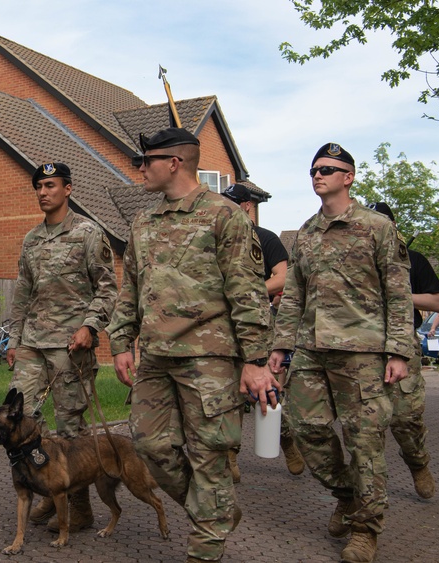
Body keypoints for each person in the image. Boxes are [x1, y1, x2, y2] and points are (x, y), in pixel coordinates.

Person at [108, 128, 276, 563]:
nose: (140, 169)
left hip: (210, 358)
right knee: (148, 444)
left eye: (145, 161)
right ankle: (215, 511)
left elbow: (248, 293)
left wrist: (256, 360)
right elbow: (132, 290)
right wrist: (121, 341)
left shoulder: (224, 216)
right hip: (157, 358)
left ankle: (205, 543)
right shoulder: (143, 222)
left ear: (174, 163)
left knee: (210, 453)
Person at [268, 143, 414, 563]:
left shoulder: (377, 227)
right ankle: (347, 495)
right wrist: (281, 344)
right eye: (313, 169)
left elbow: (398, 293)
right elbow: (294, 294)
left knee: (365, 441)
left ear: (348, 177)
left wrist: (399, 351)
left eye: (328, 169)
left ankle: (365, 530)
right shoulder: (307, 232)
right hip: (312, 350)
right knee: (306, 429)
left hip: (363, 352)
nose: (318, 175)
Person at [6, 162, 118, 532]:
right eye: (38, 186)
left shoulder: (88, 233)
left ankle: (79, 507)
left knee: (71, 427)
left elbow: (107, 289)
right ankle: (47, 495)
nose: (42, 192)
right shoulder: (31, 239)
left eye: (50, 185)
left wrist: (89, 326)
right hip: (33, 344)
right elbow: (23, 291)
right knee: (24, 423)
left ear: (68, 189)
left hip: (70, 345)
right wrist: (14, 338)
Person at [221, 183, 303, 478]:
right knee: (227, 393)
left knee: (266, 391)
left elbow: (282, 279)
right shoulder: (217, 237)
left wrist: (248, 294)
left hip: (258, 323)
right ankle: (230, 455)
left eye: (231, 202)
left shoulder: (266, 238)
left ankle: (288, 440)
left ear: (246, 206)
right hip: (223, 327)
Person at [369, 202, 439, 499]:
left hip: (401, 343)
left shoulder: (412, 260)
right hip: (363, 346)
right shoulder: (356, 262)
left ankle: (417, 462)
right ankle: (367, 495)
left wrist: (399, 295)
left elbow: (438, 303)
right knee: (366, 425)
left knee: (405, 419)